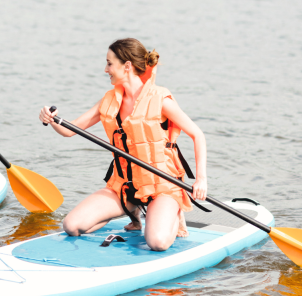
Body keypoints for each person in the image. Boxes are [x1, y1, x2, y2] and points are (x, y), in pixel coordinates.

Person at [39, 38, 208, 251]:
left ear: (126, 66)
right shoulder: (109, 100)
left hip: (162, 186)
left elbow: (197, 135)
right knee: (72, 226)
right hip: (126, 186)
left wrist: (201, 179)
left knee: (156, 242)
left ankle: (173, 213)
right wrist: (51, 119)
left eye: (110, 63)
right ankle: (131, 210)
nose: (105, 69)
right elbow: (69, 130)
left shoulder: (160, 99)